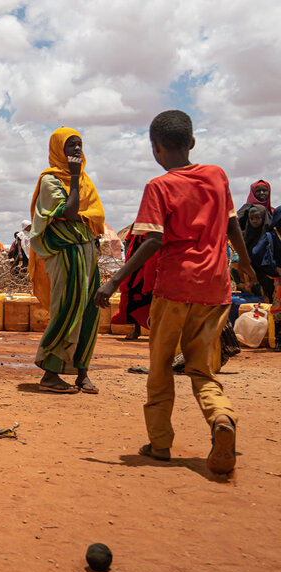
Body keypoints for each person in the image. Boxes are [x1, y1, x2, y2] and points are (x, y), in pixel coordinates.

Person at [96, 110, 257, 475]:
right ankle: (220, 417)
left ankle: (160, 443)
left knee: (161, 367)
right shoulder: (217, 175)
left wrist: (113, 281)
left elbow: (152, 240)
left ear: (155, 149)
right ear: (193, 142)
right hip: (215, 288)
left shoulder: (159, 186)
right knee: (201, 367)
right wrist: (244, 264)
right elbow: (233, 224)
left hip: (174, 286)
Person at [25, 128, 105, 393]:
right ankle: (50, 372)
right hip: (65, 254)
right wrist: (72, 176)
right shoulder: (50, 181)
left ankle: (82, 372)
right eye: (70, 145)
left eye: (80, 145)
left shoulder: (84, 180)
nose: (76, 150)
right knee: (67, 310)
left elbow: (93, 217)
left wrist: (76, 177)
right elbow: (70, 212)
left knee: (89, 312)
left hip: (87, 252)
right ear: (58, 149)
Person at [113, 227, 159, 340]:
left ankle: (157, 332)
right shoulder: (136, 226)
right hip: (136, 269)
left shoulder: (158, 227)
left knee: (155, 300)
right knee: (133, 297)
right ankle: (136, 329)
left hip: (154, 267)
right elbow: (129, 245)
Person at [239, 204, 275, 299]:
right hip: (252, 278)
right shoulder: (245, 235)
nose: (254, 221)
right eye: (251, 218)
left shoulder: (271, 235)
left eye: (257, 218)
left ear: (263, 218)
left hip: (269, 276)